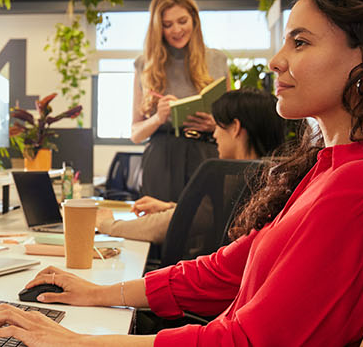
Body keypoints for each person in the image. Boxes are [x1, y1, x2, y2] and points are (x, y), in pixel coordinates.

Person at [0, 0, 363, 346]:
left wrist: (78, 342)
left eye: (300, 42)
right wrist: (96, 293)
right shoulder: (331, 167)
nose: (276, 60)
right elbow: (226, 271)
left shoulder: (357, 185)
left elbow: (245, 341)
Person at [96, 91, 285, 244]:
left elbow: (166, 225)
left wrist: (108, 224)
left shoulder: (235, 178)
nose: (214, 135)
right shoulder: (269, 176)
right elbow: (207, 215)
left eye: (218, 126)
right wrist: (170, 207)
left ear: (235, 128)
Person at [129, 0, 228, 203]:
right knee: (159, 220)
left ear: (194, 19)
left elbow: (232, 123)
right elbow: (135, 134)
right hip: (161, 159)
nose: (176, 30)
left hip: (206, 154)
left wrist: (215, 125)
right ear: (158, 28)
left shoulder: (217, 60)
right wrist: (158, 118)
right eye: (167, 25)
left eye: (182, 21)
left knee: (206, 220)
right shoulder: (145, 64)